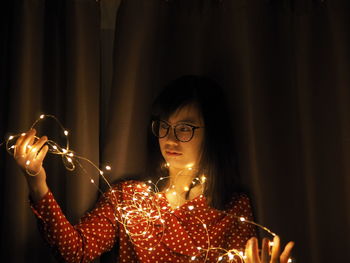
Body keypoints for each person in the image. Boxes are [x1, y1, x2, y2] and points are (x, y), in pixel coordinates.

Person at [13, 75, 294, 263]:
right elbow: (76, 250)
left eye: (185, 128)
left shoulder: (233, 210)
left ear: (213, 134)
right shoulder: (128, 198)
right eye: (164, 126)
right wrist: (36, 181)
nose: (170, 139)